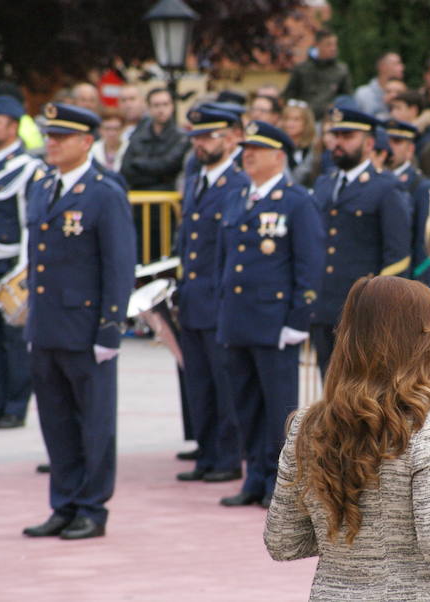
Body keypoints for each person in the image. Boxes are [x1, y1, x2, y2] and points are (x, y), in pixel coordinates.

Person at [264, 275, 430, 600]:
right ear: (421, 341)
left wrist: (345, 538)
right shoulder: (427, 424)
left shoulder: (307, 423)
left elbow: (283, 540)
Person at [22, 103, 135, 539]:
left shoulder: (104, 192)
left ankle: (92, 507)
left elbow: (118, 266)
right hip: (47, 326)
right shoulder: (42, 186)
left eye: (61, 137)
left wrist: (110, 328)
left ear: (86, 142)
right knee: (56, 422)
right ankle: (63, 502)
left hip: (87, 329)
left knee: (95, 423)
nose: (51, 143)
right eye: (49, 135)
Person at [217, 120, 325, 509]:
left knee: (279, 409)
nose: (247, 154)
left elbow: (309, 264)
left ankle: (280, 484)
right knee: (245, 405)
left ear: (279, 156)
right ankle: (254, 478)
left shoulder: (297, 201)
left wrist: (298, 320)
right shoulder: (235, 197)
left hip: (275, 322)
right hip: (238, 319)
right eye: (245, 148)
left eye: (257, 149)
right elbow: (223, 262)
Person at [174, 106, 246, 485]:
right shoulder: (197, 178)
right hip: (193, 295)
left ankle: (228, 456)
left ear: (232, 137)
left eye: (209, 136)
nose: (201, 144)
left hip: (220, 298)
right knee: (198, 381)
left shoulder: (237, 182)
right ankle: (206, 451)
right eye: (197, 137)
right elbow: (188, 238)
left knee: (224, 383)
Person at [310, 108, 411, 376]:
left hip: (364, 310)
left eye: (348, 135)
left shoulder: (385, 187)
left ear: (368, 143)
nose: (339, 142)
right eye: (336, 135)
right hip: (325, 305)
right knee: (329, 389)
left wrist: (382, 308)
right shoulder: (323, 183)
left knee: (365, 391)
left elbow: (398, 256)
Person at [0, 95, 43, 429]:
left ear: (12, 126)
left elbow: (29, 223)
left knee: (14, 341)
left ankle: (16, 405)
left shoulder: (27, 168)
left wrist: (22, 272)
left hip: (9, 265)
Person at [385, 118, 430, 284]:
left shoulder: (423, 188)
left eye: (397, 142)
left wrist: (418, 289)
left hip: (407, 282)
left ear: (410, 149)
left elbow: (428, 249)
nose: (390, 147)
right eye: (386, 141)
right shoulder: (373, 186)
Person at [120, 87, 189, 190]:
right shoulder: (138, 134)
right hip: (139, 198)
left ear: (172, 106)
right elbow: (126, 169)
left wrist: (138, 162)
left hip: (168, 199)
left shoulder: (181, 137)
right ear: (148, 108)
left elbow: (168, 167)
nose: (161, 110)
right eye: (156, 105)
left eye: (165, 104)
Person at [281, 29, 352, 120]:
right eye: (328, 44)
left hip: (329, 119)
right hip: (305, 120)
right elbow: (288, 95)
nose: (333, 48)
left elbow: (347, 98)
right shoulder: (302, 69)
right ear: (317, 45)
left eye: (335, 44)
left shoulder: (341, 70)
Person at [389, 90, 430, 178]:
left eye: (398, 108)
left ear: (413, 110)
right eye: (392, 109)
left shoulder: (427, 139)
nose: (393, 113)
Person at [353, 52, 405, 119]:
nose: (402, 68)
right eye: (396, 64)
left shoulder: (404, 93)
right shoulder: (362, 94)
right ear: (382, 67)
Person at [281, 101, 318, 186]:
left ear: (306, 123)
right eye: (287, 119)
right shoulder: (277, 147)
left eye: (296, 119)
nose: (290, 124)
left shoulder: (314, 148)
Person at [90, 107, 127, 172]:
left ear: (123, 129)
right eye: (107, 129)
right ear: (100, 130)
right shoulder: (92, 149)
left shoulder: (130, 148)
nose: (112, 133)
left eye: (116, 129)